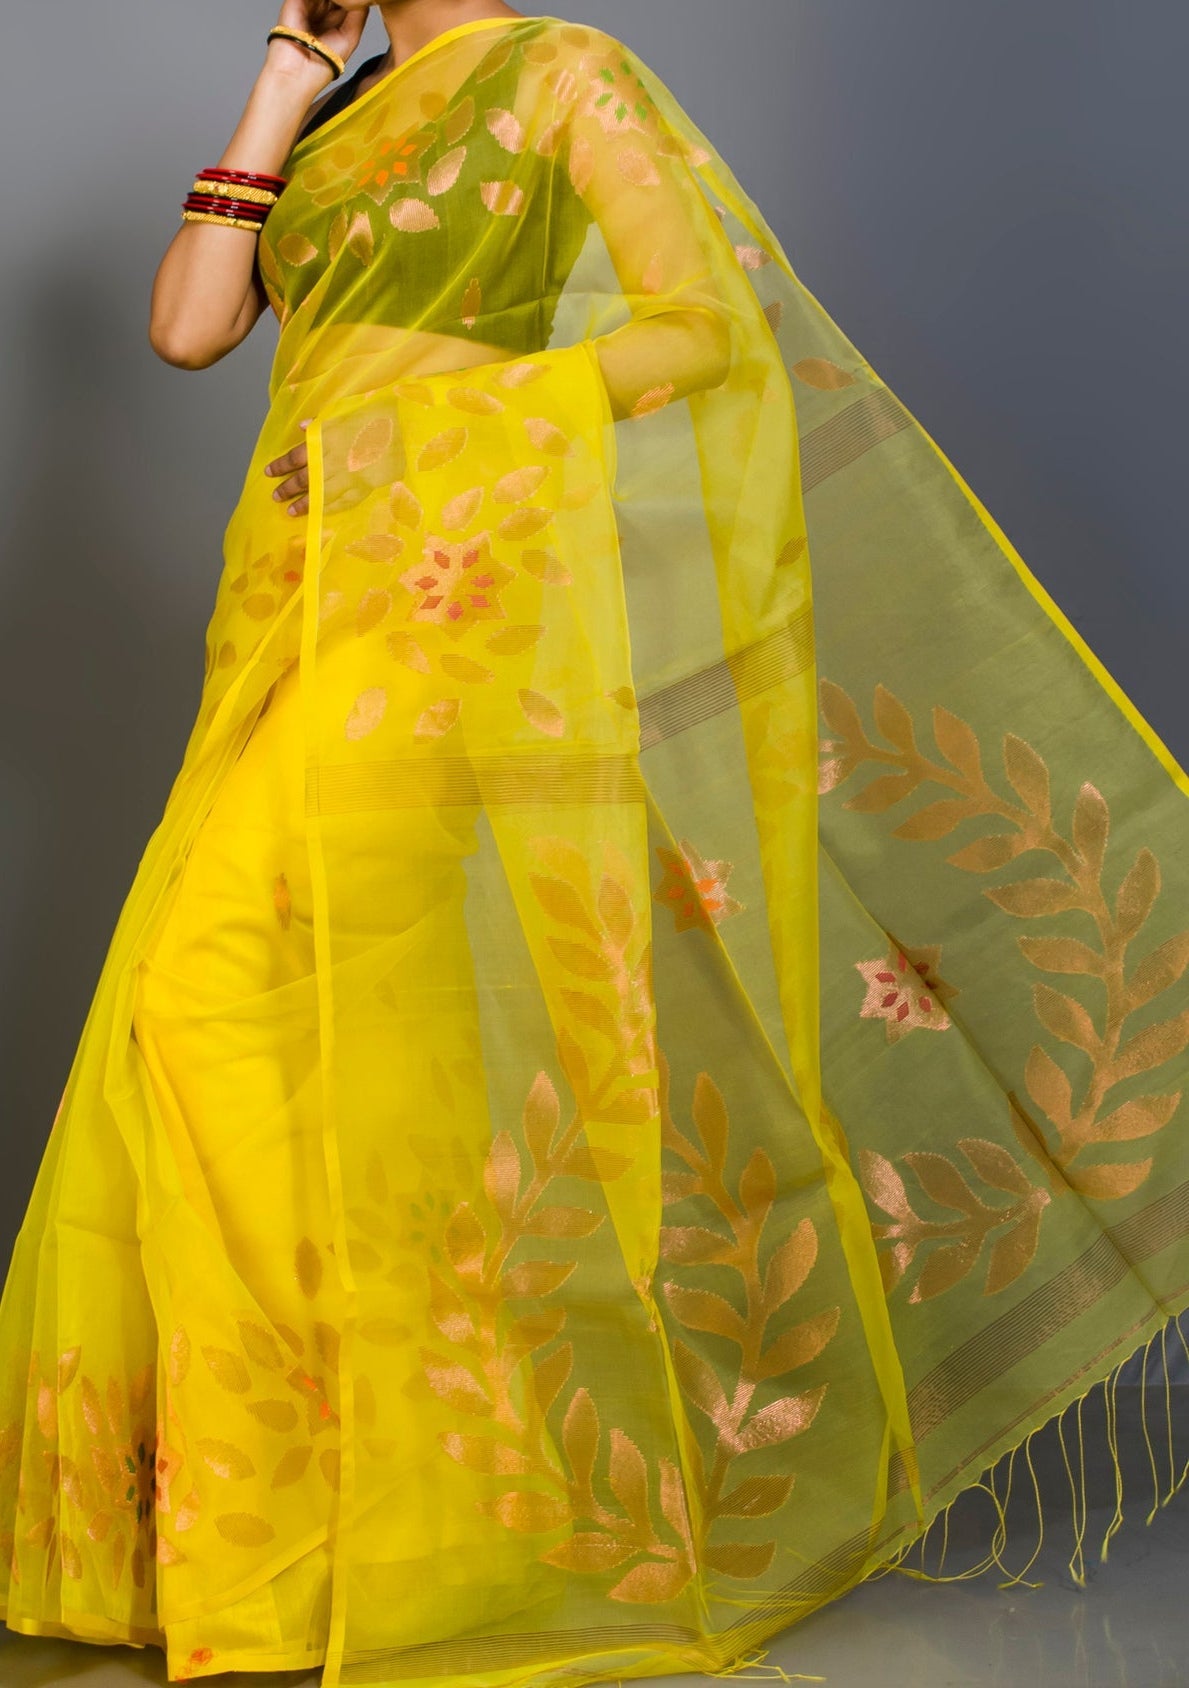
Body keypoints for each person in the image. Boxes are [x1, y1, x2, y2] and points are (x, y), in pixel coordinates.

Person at [1, 3, 1187, 1684]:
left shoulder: (562, 73)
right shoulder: (336, 117)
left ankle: (334, 1529)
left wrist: (437, 436)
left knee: (212, 997)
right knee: (351, 1052)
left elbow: (702, 327)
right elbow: (190, 327)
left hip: (443, 607)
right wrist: (284, 76)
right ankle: (365, 1531)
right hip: (286, 610)